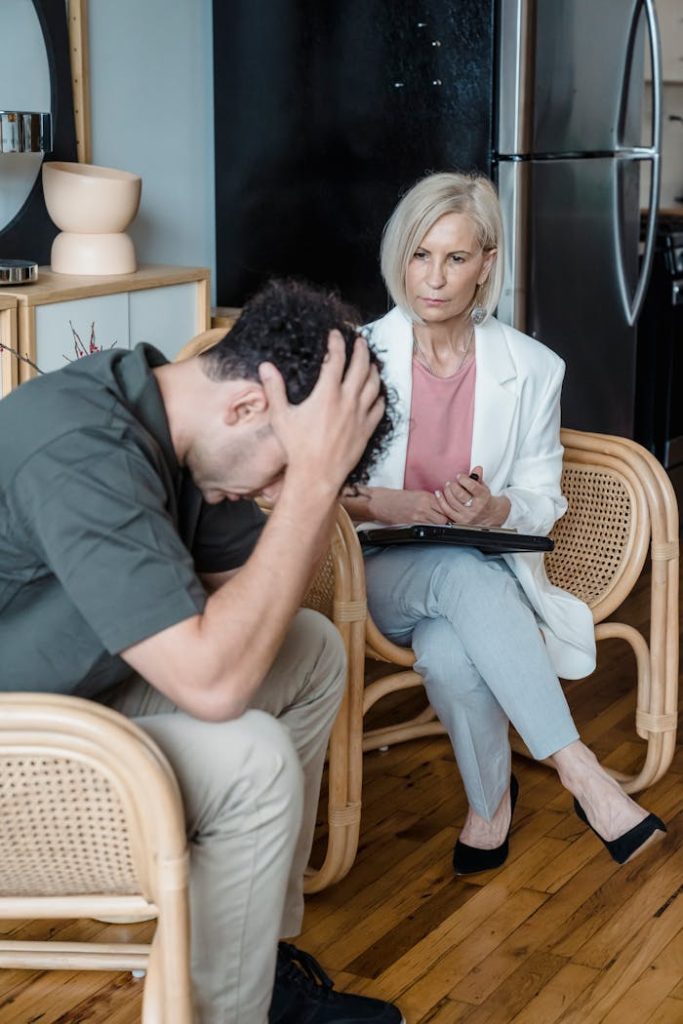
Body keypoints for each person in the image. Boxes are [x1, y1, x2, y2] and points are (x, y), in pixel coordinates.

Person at [0, 279, 404, 1024]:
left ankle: (250, 970)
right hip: (14, 757)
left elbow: (255, 613)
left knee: (309, 651)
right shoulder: (83, 448)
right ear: (248, 406)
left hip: (62, 710)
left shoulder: (175, 436)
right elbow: (215, 685)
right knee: (250, 757)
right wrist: (314, 485)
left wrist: (308, 477)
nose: (278, 495)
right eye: (282, 469)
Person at [342, 172, 666, 874]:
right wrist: (380, 502)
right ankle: (583, 774)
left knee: (451, 655)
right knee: (458, 576)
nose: (432, 278)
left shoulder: (531, 367)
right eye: (419, 255)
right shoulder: (356, 356)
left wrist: (498, 508)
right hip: (367, 574)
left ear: (485, 264)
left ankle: (490, 806)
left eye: (454, 258)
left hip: (477, 574)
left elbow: (542, 494)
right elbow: (311, 487)